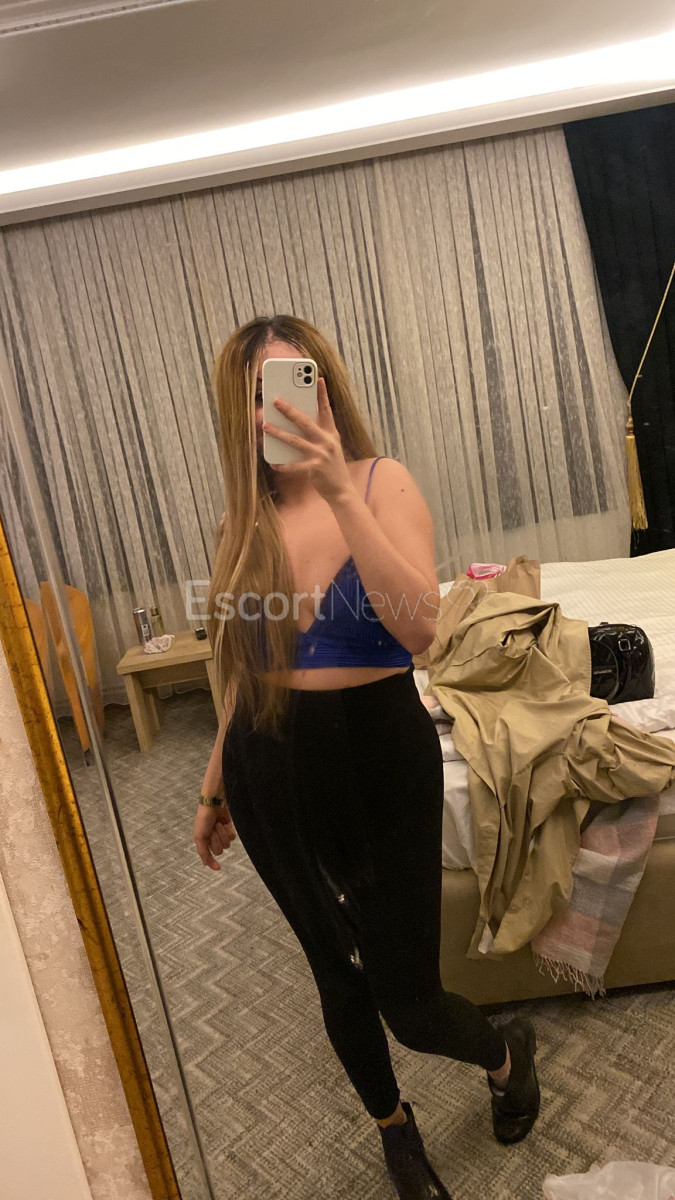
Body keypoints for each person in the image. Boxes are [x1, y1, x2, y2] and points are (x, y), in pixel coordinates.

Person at [194, 315, 540, 1198]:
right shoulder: (239, 523)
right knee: (334, 978)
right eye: (257, 393)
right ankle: (394, 1130)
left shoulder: (384, 483)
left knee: (411, 1003)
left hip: (379, 757)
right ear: (237, 412)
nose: (278, 408)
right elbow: (241, 669)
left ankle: (505, 1055)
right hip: (268, 766)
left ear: (324, 387)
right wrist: (214, 787)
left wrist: (337, 491)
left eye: (294, 382)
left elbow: (421, 630)